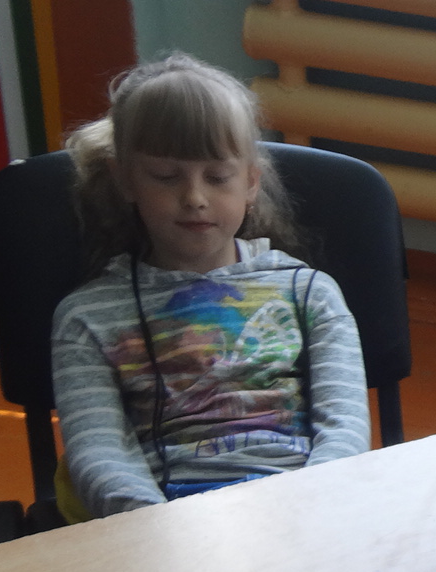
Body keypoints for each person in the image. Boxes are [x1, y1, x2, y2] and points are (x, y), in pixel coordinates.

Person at [52, 52, 370, 519]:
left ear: (251, 182)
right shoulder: (87, 318)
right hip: (160, 525)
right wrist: (155, 528)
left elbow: (344, 430)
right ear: (125, 180)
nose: (195, 198)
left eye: (218, 177)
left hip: (304, 512)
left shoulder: (309, 294)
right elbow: (99, 454)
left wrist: (309, 509)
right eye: (166, 177)